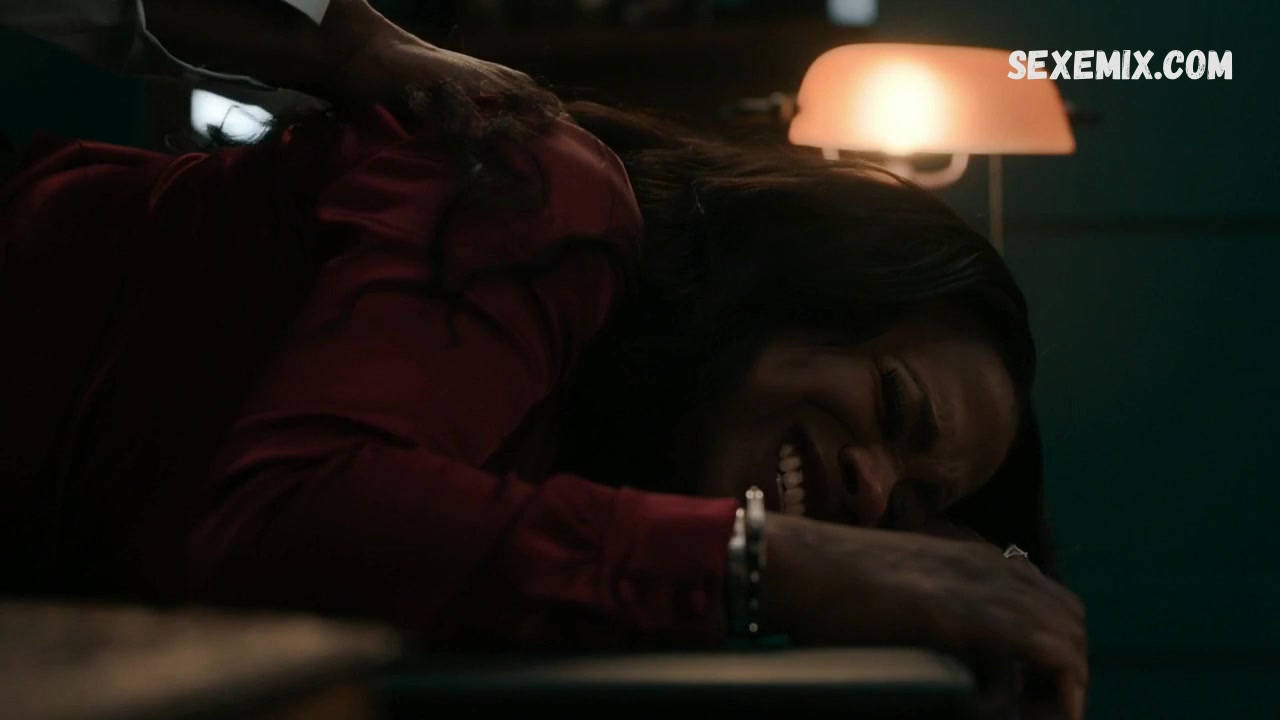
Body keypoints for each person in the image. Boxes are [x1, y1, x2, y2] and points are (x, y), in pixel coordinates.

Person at [0, 1, 1086, 717]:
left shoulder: (603, 479)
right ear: (803, 288)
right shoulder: (552, 190)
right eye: (893, 406)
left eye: (909, 509)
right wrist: (774, 563)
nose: (873, 489)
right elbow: (282, 519)